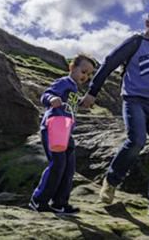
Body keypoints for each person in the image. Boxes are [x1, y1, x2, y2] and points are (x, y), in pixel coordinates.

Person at [80, 9, 149, 223]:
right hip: (134, 100)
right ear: (147, 23)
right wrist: (92, 93)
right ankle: (111, 182)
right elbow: (109, 62)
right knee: (136, 141)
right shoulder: (134, 43)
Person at [29, 54, 96, 214]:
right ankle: (38, 200)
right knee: (58, 164)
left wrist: (81, 103)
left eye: (88, 75)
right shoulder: (64, 82)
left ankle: (59, 203)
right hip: (54, 126)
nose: (85, 76)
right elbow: (46, 95)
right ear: (72, 68)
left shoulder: (73, 89)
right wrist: (52, 98)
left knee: (69, 167)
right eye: (83, 71)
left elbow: (70, 105)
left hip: (66, 131)